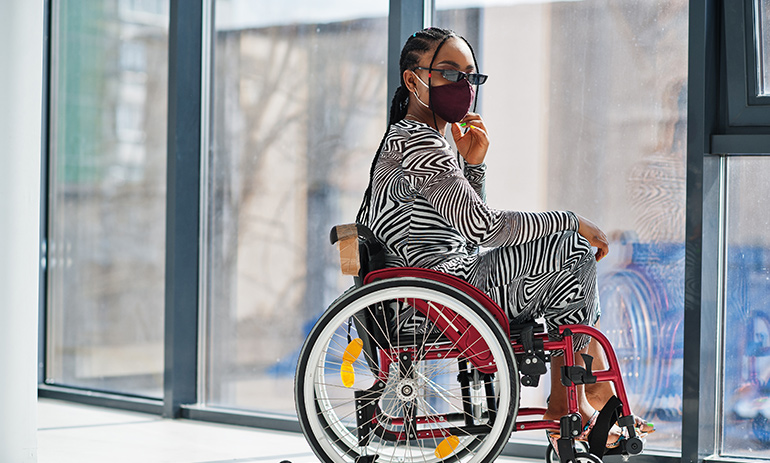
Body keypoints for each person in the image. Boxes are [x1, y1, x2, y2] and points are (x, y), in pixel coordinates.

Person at [355, 27, 653, 447]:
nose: (463, 86)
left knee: (571, 254)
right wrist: (571, 219)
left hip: (440, 285)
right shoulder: (419, 147)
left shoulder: (417, 141)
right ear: (412, 79)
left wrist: (473, 166)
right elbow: (483, 228)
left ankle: (578, 394)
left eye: (470, 76)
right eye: (449, 73)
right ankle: (575, 397)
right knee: (573, 249)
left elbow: (466, 234)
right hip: (440, 296)